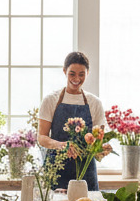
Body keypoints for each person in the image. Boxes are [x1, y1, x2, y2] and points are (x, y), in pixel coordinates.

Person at [36, 51, 112, 192]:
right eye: (72, 74)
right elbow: (41, 137)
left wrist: (101, 148)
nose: (76, 78)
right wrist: (61, 145)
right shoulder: (51, 100)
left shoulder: (95, 103)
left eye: (81, 74)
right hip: (56, 168)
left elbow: (98, 139)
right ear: (64, 71)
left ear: (87, 73)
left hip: (85, 172)